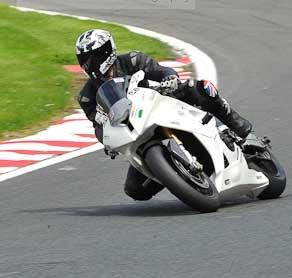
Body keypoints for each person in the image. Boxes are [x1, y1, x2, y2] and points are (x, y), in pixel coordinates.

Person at [76, 28, 253, 202]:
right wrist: (106, 140)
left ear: (108, 50)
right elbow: (98, 125)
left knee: (198, 88)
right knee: (134, 190)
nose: (89, 64)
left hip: (159, 101)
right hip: (136, 130)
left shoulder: (132, 60)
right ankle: (177, 176)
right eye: (84, 60)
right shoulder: (86, 96)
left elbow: (161, 71)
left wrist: (170, 78)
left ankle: (236, 125)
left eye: (93, 57)